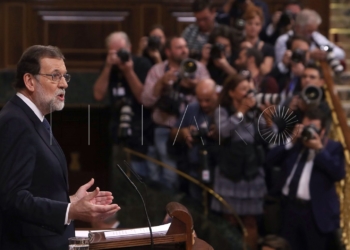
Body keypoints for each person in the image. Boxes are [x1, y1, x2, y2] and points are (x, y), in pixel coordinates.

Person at [0, 45, 120, 249]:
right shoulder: (16, 121)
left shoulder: (35, 119)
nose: (64, 84)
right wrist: (70, 211)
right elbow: (12, 198)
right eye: (55, 76)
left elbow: (35, 188)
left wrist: (71, 201)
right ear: (29, 81)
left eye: (65, 76)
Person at [266, 108, 345, 250]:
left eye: (313, 128)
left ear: (322, 131)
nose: (307, 132)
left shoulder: (332, 148)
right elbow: (269, 160)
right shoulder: (295, 145)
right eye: (305, 127)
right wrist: (291, 140)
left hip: (314, 214)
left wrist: (319, 150)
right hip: (288, 209)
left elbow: (338, 173)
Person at [141, 36, 210, 190]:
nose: (184, 50)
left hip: (193, 131)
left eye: (185, 46)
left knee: (193, 176)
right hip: (165, 128)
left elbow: (211, 94)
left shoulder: (197, 68)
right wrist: (161, 83)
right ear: (168, 51)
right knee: (170, 176)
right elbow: (146, 101)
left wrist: (195, 85)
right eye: (179, 47)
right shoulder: (157, 70)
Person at [211, 73, 267, 250]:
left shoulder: (255, 110)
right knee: (230, 220)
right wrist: (240, 112)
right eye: (243, 89)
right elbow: (224, 131)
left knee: (250, 222)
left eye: (249, 89)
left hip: (251, 171)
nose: (247, 93)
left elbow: (264, 135)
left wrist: (266, 116)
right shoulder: (222, 110)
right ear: (231, 93)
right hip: (229, 170)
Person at [93, 32, 153, 182]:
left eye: (121, 51)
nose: (118, 56)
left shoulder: (142, 64)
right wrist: (107, 67)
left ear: (130, 48)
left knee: (142, 179)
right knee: (121, 179)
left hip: (142, 130)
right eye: (114, 52)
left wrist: (128, 71)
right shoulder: (109, 67)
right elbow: (98, 95)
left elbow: (142, 97)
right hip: (117, 129)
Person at [170, 78, 218, 200]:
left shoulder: (224, 110)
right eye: (200, 100)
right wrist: (183, 132)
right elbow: (173, 133)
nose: (203, 104)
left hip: (219, 171)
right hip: (195, 169)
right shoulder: (192, 108)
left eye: (207, 100)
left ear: (216, 95)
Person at [274, 9, 345, 64]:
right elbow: (280, 64)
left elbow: (341, 53)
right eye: (309, 31)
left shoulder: (316, 36)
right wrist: (309, 55)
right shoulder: (283, 40)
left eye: (314, 30)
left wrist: (325, 54)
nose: (312, 34)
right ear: (298, 27)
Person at [241, 4, 275, 75]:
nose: (253, 27)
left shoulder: (268, 49)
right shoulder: (238, 44)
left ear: (261, 26)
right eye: (250, 23)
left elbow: (266, 71)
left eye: (257, 24)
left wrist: (251, 51)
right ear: (245, 24)